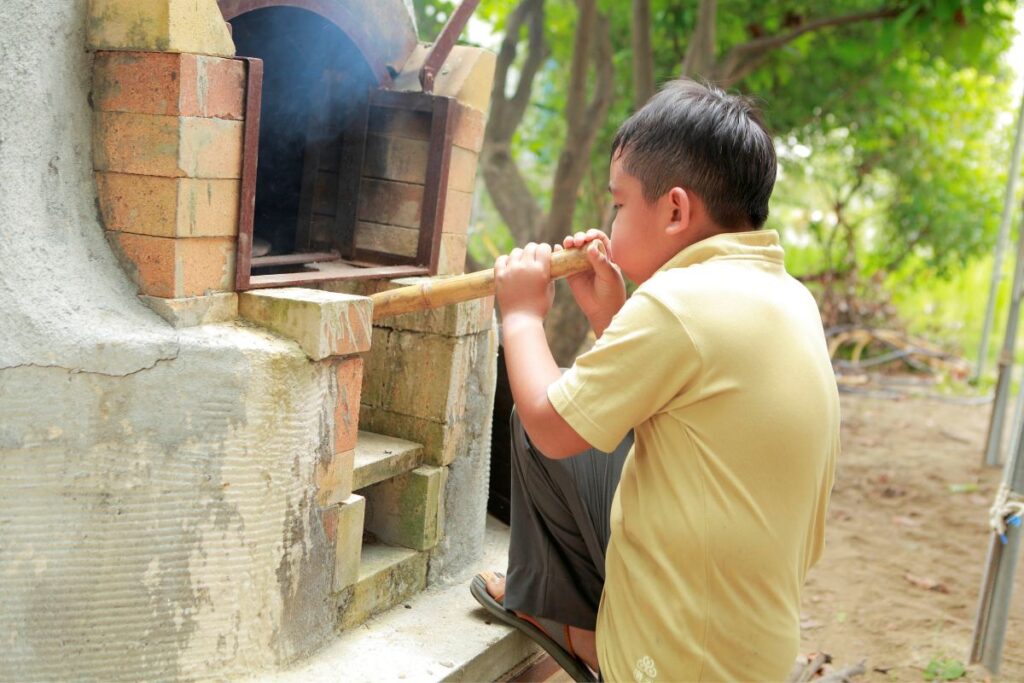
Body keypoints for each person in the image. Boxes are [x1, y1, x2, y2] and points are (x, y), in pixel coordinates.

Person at [471, 79, 839, 682]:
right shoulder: (786, 295)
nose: (610, 220)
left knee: (534, 413)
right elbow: (684, 402)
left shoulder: (679, 301)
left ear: (674, 209)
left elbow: (553, 430)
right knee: (573, 405)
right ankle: (597, 626)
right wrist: (608, 318)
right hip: (750, 648)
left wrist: (520, 313)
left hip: (682, 662)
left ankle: (574, 628)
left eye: (618, 203)